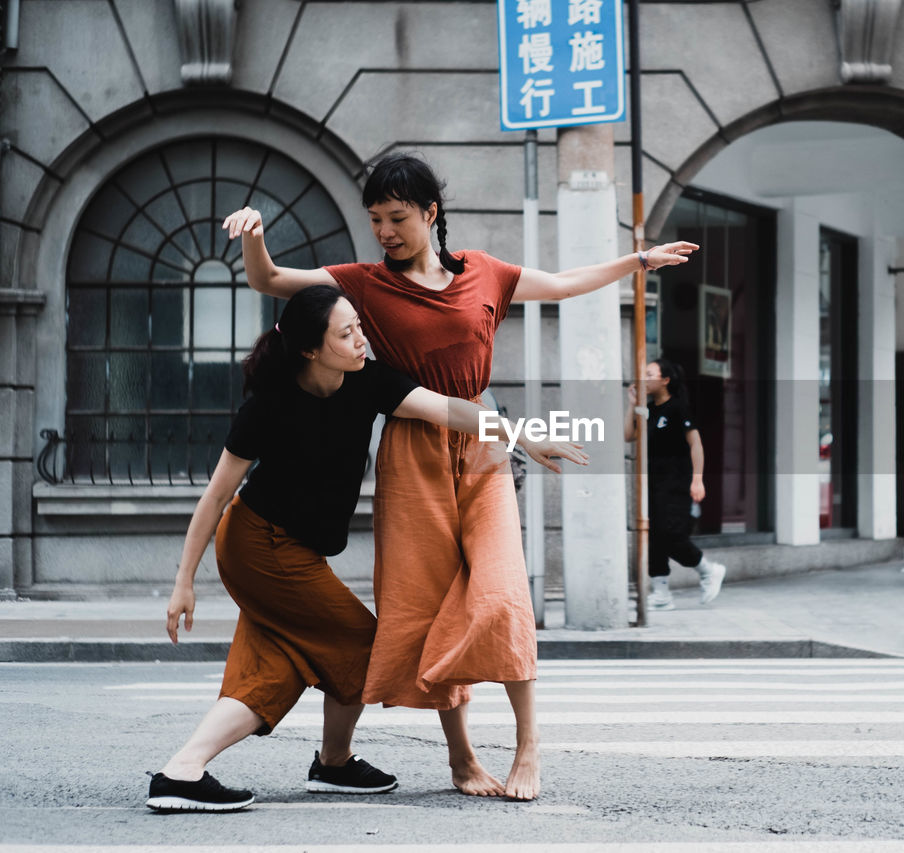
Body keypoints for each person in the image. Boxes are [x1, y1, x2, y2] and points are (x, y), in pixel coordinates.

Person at [222, 152, 697, 801]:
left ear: (430, 212)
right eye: (375, 219)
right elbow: (271, 279)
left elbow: (559, 283)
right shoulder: (362, 282)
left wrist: (635, 262)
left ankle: (529, 743)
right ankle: (462, 758)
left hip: (481, 443)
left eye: (396, 217)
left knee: (503, 592)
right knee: (431, 606)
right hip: (413, 451)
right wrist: (253, 237)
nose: (384, 231)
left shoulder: (484, 273)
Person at [146, 285, 585, 813]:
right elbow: (216, 496)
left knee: (273, 663)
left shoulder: (367, 381)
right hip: (259, 546)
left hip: (292, 551)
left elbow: (447, 409)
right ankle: (321, 763)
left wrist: (519, 436)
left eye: (359, 326)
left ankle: (198, 769)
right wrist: (183, 583)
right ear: (311, 349)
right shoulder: (270, 404)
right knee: (358, 649)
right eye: (346, 332)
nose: (361, 339)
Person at [625, 358, 726, 610]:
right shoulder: (648, 409)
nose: (644, 377)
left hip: (676, 481)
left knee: (671, 534)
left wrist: (698, 480)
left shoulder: (679, 408)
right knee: (654, 536)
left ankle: (708, 569)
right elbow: (628, 435)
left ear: (665, 380)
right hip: (652, 482)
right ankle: (661, 594)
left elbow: (696, 445)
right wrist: (631, 405)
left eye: (649, 373)